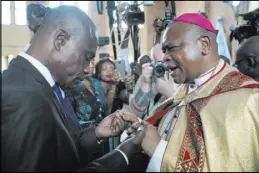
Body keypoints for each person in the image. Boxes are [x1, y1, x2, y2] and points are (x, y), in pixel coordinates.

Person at [2, 6, 144, 172]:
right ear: (60, 40)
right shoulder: (22, 96)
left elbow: (57, 152)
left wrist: (96, 133)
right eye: (86, 57)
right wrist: (122, 154)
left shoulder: (42, 83)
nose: (87, 69)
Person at [138, 13, 259, 172]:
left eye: (171, 48)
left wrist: (157, 151)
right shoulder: (184, 92)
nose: (165, 57)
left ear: (204, 45)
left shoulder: (245, 101)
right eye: (164, 50)